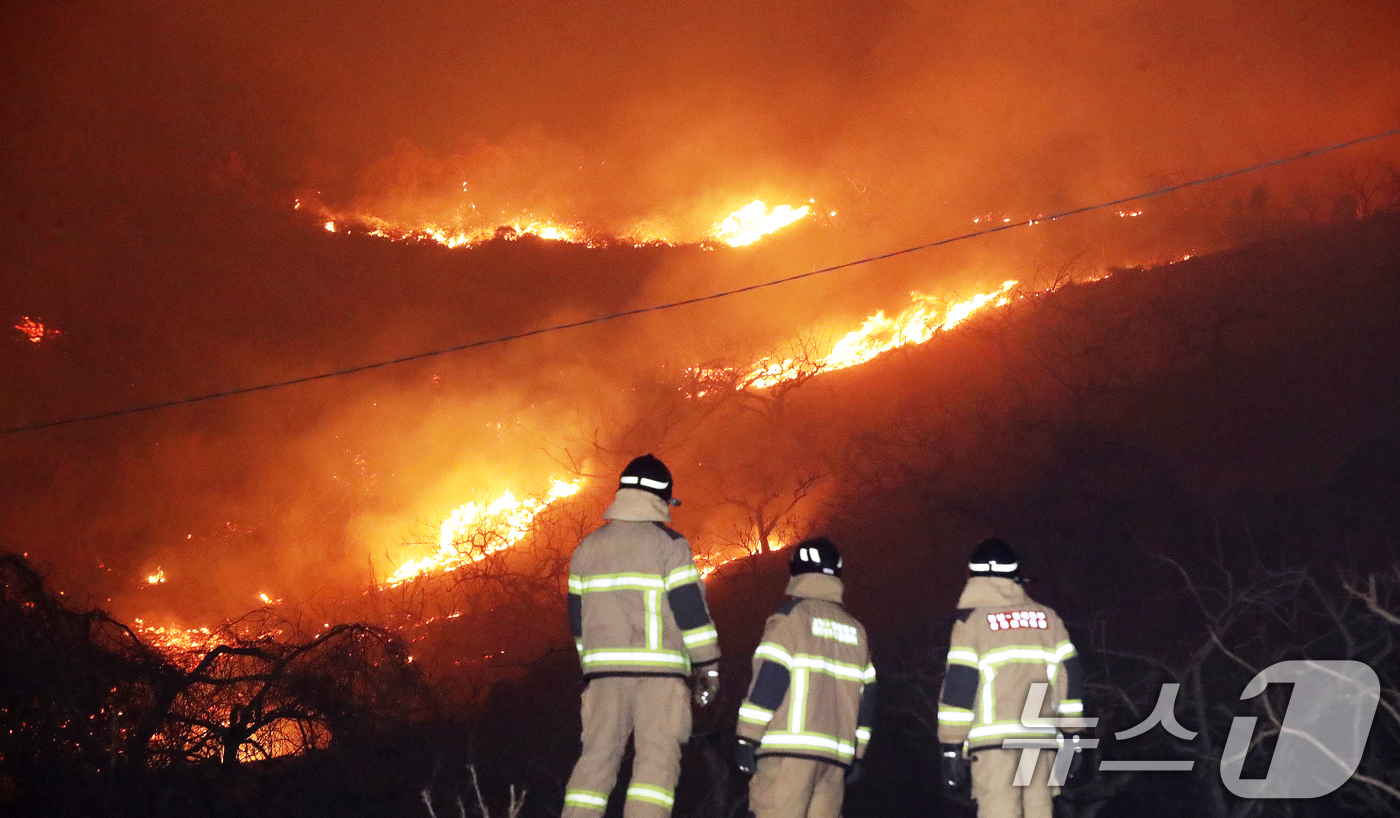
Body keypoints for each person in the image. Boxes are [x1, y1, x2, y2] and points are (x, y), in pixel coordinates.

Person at [562, 455, 722, 818]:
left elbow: (577, 620)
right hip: (660, 678)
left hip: (603, 677)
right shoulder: (669, 545)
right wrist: (707, 667)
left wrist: (591, 664)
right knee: (656, 764)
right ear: (662, 499)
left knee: (596, 761)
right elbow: (691, 614)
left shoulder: (587, 548)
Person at [936, 538, 1085, 818]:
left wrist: (951, 748)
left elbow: (960, 686)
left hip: (995, 750)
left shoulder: (972, 622)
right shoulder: (1048, 619)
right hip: (1040, 745)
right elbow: (1070, 678)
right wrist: (1074, 737)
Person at [734, 537, 877, 818]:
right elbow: (868, 699)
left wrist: (746, 737)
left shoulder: (791, 618)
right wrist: (857, 755)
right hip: (834, 762)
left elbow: (770, 680)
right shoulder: (856, 630)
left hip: (788, 753)